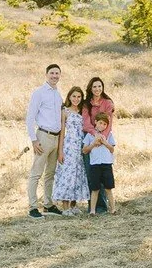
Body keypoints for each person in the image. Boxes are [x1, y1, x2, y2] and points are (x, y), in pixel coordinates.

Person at [25, 64, 64, 218]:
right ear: (46, 74)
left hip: (56, 137)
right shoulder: (39, 93)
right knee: (36, 173)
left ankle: (48, 204)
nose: (54, 76)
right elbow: (30, 118)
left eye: (57, 73)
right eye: (52, 73)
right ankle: (33, 207)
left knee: (50, 174)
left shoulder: (57, 94)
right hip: (43, 137)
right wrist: (34, 140)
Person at [52, 86, 90, 215]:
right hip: (69, 146)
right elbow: (62, 133)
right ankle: (66, 207)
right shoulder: (65, 111)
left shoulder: (82, 111)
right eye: (74, 96)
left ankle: (73, 205)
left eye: (79, 97)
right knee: (67, 175)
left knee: (77, 175)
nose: (76, 99)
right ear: (69, 97)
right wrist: (60, 151)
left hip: (80, 147)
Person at [81, 76, 114, 213]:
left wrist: (102, 138)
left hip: (104, 139)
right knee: (91, 172)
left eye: (99, 86)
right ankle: (94, 206)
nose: (97, 89)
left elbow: (108, 122)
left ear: (102, 87)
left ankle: (103, 206)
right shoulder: (86, 104)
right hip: (90, 137)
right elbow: (86, 123)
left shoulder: (107, 102)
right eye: (94, 86)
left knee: (104, 173)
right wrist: (95, 137)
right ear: (90, 88)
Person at [82, 112, 116, 215]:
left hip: (106, 164)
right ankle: (92, 210)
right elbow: (84, 150)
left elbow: (112, 149)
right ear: (96, 122)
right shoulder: (90, 135)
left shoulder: (109, 135)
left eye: (105, 124)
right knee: (95, 188)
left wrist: (105, 143)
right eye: (100, 123)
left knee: (108, 188)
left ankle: (113, 209)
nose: (102, 126)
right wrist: (93, 144)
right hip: (95, 165)